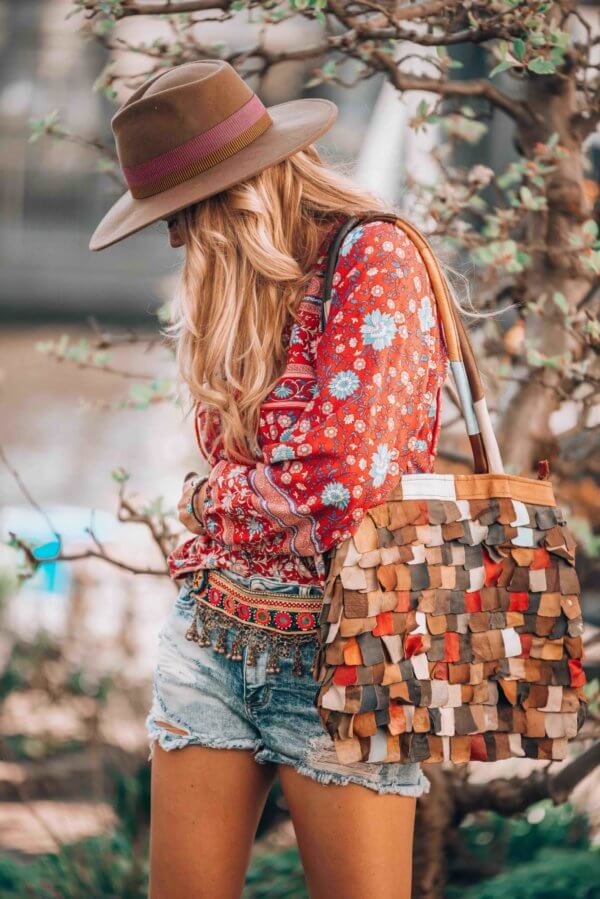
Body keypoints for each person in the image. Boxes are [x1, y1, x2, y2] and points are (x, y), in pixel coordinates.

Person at [91, 59, 449, 899]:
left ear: (236, 191)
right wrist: (241, 502)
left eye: (181, 216)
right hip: (212, 637)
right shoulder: (240, 283)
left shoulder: (378, 256)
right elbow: (257, 467)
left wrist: (198, 501)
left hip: (349, 647)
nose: (177, 240)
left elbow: (337, 485)